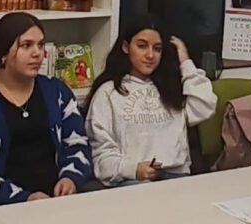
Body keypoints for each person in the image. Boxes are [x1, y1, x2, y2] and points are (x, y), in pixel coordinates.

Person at [0, 12, 93, 209]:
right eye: (26, 45)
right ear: (3, 52)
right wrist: (24, 199)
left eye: (41, 45)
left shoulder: (56, 91)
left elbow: (78, 145)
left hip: (55, 203)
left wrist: (70, 178)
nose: (37, 53)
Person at [85, 14, 216, 185]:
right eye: (142, 46)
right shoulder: (108, 92)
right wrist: (134, 170)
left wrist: (185, 62)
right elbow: (101, 156)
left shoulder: (171, 89)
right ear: (126, 47)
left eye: (157, 49)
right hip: (130, 179)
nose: (150, 55)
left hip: (176, 176)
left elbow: (205, 106)